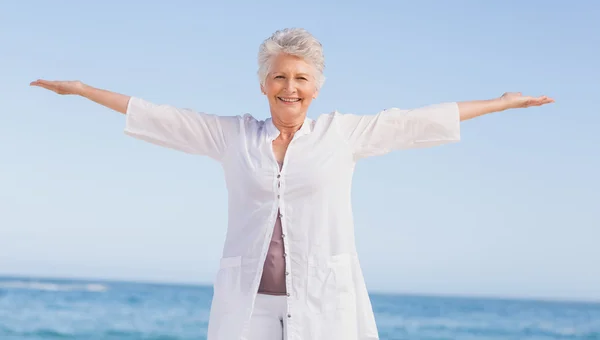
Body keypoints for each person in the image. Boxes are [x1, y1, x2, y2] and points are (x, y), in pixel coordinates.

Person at [30, 28, 554, 340]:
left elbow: (418, 120)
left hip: (325, 300)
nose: (290, 87)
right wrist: (81, 91)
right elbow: (160, 116)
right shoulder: (232, 135)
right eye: (280, 77)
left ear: (317, 87)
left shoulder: (343, 135)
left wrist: (501, 102)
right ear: (264, 85)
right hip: (249, 302)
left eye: (301, 78)